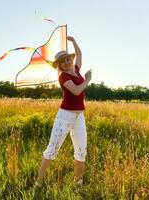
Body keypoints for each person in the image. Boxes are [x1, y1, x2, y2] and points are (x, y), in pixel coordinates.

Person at [35, 36, 92, 187]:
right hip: (65, 116)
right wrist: (87, 80)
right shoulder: (63, 77)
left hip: (79, 116)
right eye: (63, 61)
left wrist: (74, 42)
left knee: (81, 151)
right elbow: (76, 91)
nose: (67, 62)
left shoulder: (77, 70)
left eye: (68, 59)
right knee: (52, 150)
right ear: (59, 65)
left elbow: (79, 55)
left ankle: (78, 183)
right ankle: (38, 182)